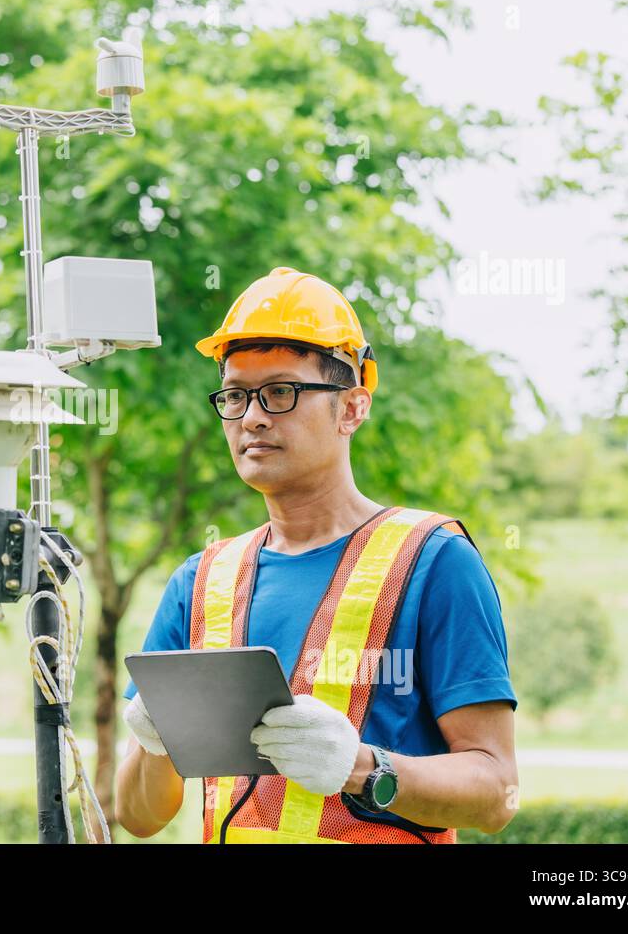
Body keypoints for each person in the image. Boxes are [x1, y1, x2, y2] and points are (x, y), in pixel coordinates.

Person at [114, 267, 518, 843]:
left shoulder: (434, 560)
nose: (251, 416)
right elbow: (139, 816)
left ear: (352, 408)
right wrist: (156, 744)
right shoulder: (202, 581)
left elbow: (497, 792)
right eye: (234, 395)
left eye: (281, 392)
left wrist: (365, 768)